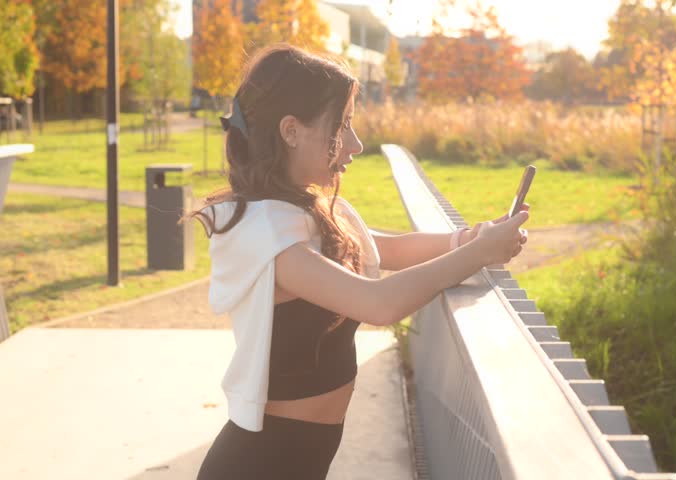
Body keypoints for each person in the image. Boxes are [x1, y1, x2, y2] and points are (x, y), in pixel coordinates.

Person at [182, 43, 530, 479]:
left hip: (300, 456)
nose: (356, 143)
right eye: (341, 125)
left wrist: (470, 237)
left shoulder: (305, 209)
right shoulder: (266, 230)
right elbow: (378, 303)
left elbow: (389, 249)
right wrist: (480, 253)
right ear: (291, 131)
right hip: (263, 462)